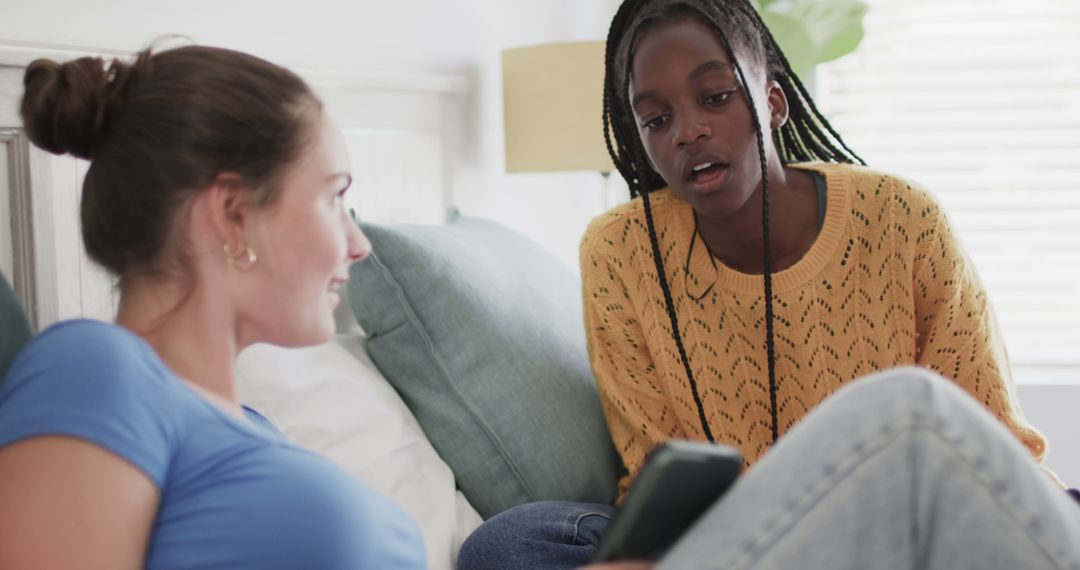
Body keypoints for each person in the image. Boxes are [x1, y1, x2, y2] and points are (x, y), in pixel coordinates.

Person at [456, 0, 1075, 567]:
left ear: (773, 103)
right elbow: (655, 467)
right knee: (509, 544)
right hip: (733, 536)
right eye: (655, 118)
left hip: (890, 517)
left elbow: (987, 437)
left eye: (717, 97)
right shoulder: (619, 251)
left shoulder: (901, 218)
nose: (687, 131)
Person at [0, 45, 427, 568]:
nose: (359, 244)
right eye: (334, 197)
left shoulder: (249, 429)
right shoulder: (95, 369)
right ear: (233, 214)